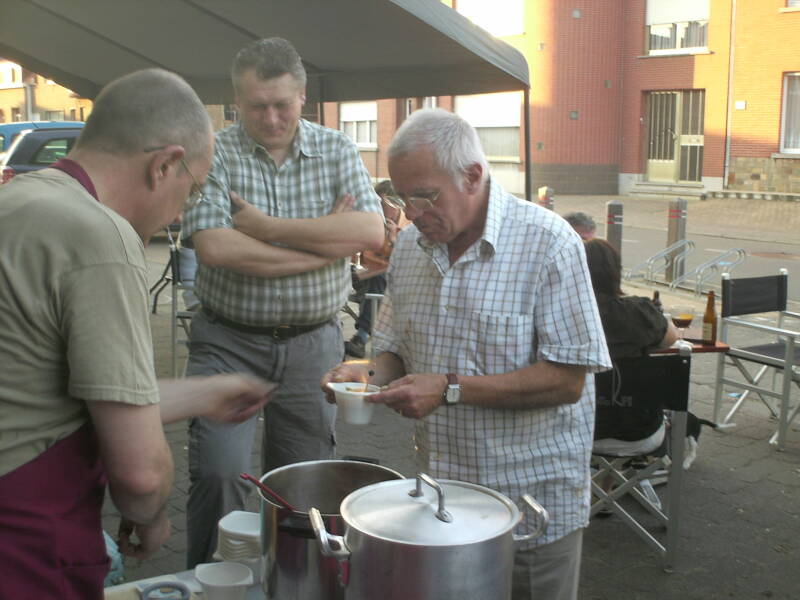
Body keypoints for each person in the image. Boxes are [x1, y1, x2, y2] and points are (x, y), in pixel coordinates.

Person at [0, 69, 273, 600]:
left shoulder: (22, 199)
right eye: (193, 189)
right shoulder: (100, 237)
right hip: (22, 539)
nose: (183, 211)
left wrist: (207, 393)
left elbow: (69, 392)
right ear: (164, 165)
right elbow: (141, 473)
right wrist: (150, 515)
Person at [321, 109, 611, 600]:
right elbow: (394, 351)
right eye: (401, 197)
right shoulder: (410, 247)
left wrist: (449, 389)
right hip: (440, 502)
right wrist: (366, 373)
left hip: (529, 508)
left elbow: (568, 380)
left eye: (424, 195)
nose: (412, 213)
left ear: (473, 176)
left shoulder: (549, 243)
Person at [180, 37, 384, 567]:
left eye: (282, 105)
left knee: (302, 486)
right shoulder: (213, 152)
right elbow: (216, 248)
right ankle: (212, 585)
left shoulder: (337, 149)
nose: (271, 118)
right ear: (236, 101)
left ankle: (294, 584)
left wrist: (265, 228)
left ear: (302, 97)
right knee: (219, 474)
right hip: (227, 341)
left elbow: (369, 231)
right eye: (256, 106)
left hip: (313, 345)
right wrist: (323, 246)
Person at [584, 238, 679, 454]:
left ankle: (599, 476)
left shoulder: (561, 313)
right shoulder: (638, 312)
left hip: (574, 433)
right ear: (616, 272)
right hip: (638, 432)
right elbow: (670, 339)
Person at [344, 179, 410, 358]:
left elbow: (406, 264)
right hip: (362, 278)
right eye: (378, 204)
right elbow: (353, 258)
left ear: (397, 205)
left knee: (378, 279)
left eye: (384, 205)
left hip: (390, 283)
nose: (379, 209)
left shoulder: (408, 228)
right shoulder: (369, 225)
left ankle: (361, 337)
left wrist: (394, 239)